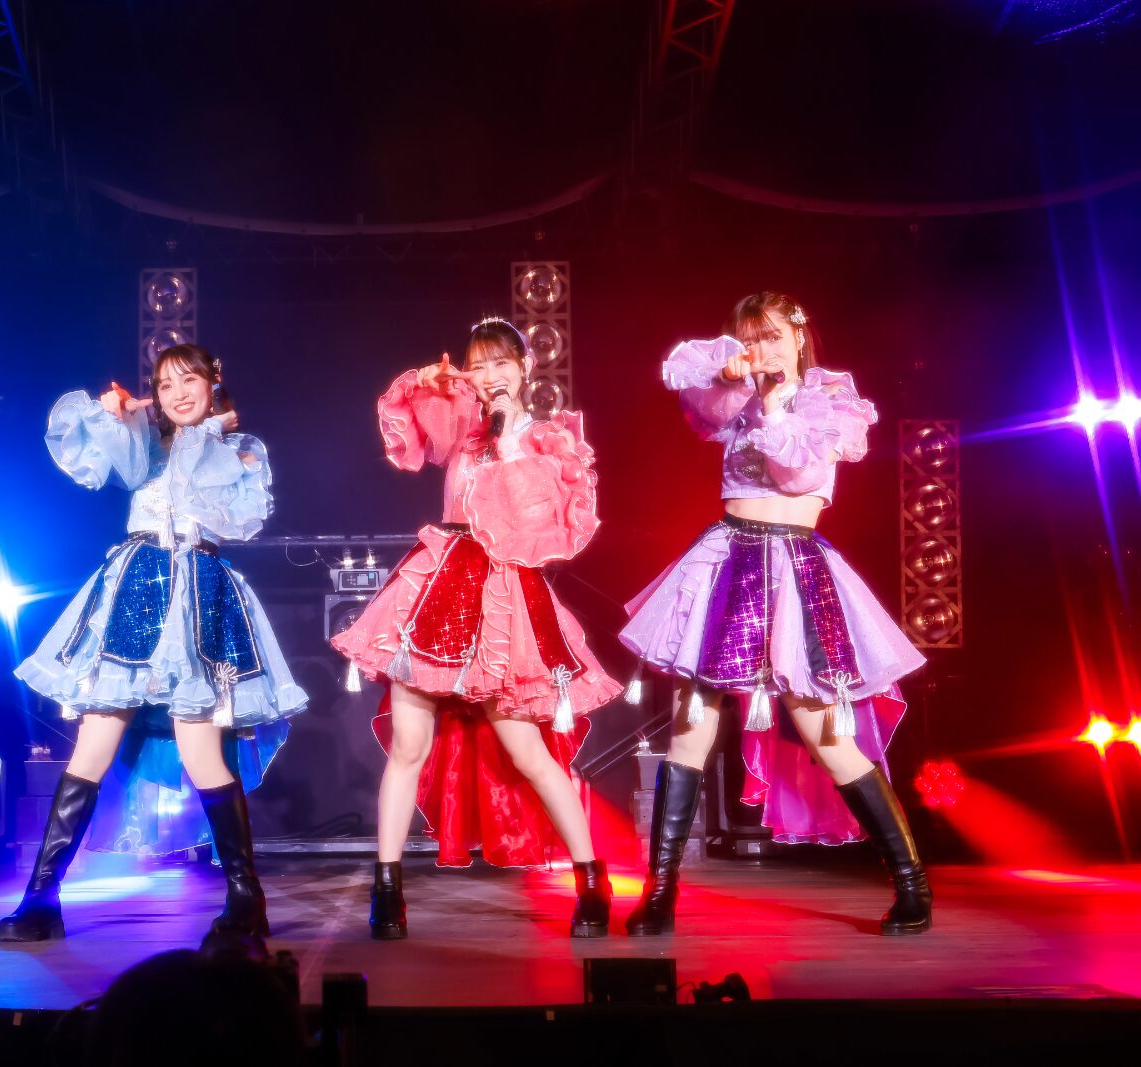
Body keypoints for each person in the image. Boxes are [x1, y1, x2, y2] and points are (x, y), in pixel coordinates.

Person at [619, 292, 931, 936]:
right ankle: (661, 892)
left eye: (772, 337)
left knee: (827, 737)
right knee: (689, 729)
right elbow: (693, 387)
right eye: (749, 339)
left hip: (794, 571)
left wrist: (773, 403)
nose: (761, 350)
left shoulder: (829, 402)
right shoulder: (736, 400)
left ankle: (911, 883)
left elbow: (794, 477)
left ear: (798, 339)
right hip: (726, 563)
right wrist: (734, 377)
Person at [5, 345, 306, 946]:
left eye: (188, 380)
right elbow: (92, 460)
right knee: (91, 746)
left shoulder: (238, 449)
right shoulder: (146, 445)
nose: (177, 393)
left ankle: (246, 898)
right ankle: (41, 897)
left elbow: (240, 520)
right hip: (134, 589)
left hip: (197, 596)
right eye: (165, 385)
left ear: (213, 382)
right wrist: (115, 414)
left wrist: (204, 437)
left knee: (202, 752)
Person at [333, 317, 622, 939]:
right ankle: (388, 890)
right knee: (408, 745)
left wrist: (512, 435)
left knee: (528, 753)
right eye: (478, 365)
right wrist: (426, 384)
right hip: (439, 586)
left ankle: (590, 880)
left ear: (524, 368)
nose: (489, 376)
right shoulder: (464, 429)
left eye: (500, 364)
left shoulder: (547, 441)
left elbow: (537, 528)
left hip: (504, 598)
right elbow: (408, 431)